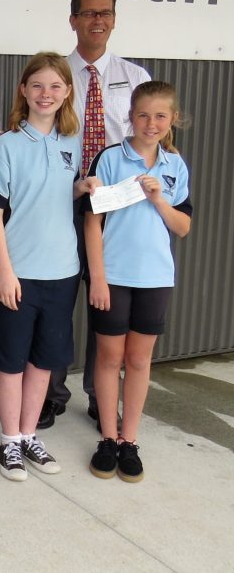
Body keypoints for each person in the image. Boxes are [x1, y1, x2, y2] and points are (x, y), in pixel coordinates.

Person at [0, 52, 98, 482]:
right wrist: (6, 272)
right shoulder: (7, 145)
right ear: (23, 91)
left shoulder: (72, 142)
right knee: (11, 362)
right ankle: (10, 440)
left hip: (62, 272)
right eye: (37, 85)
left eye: (54, 86)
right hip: (18, 272)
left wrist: (80, 187)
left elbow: (54, 195)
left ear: (67, 92)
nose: (45, 94)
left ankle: (30, 434)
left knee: (43, 361)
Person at [40, 0, 152, 430]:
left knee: (106, 303)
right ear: (73, 20)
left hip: (117, 208)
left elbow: (150, 140)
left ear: (114, 19)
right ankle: (50, 393)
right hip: (63, 200)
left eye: (105, 13)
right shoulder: (56, 74)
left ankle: (98, 393)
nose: (97, 21)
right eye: (88, 13)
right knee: (57, 299)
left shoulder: (134, 76)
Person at [85, 81, 191, 482]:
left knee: (139, 360)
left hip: (155, 277)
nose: (151, 123)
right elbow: (92, 222)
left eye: (160, 116)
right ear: (130, 116)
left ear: (173, 119)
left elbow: (182, 227)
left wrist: (159, 198)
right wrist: (97, 277)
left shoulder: (174, 165)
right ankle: (107, 438)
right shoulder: (111, 158)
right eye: (143, 115)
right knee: (109, 358)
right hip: (113, 276)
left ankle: (129, 440)